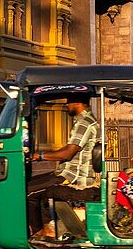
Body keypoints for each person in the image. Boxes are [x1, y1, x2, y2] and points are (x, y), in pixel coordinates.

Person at [28, 98, 99, 240]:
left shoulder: (84, 123)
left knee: (27, 192)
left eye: (69, 102)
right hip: (66, 172)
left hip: (73, 176)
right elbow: (68, 149)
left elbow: (68, 152)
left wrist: (40, 156)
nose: (66, 105)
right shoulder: (83, 121)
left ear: (78, 103)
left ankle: (44, 230)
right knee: (29, 183)